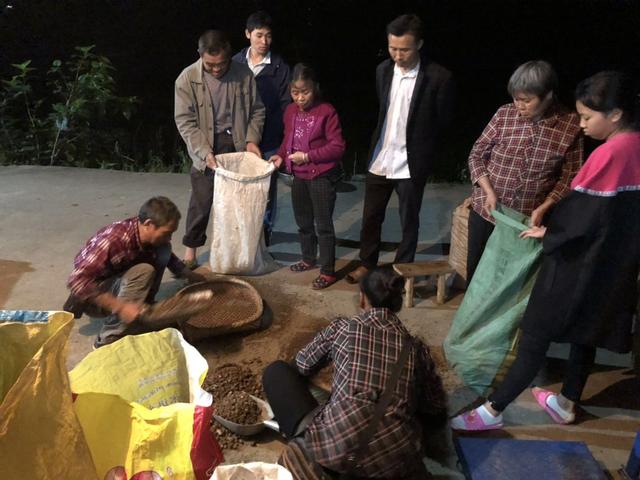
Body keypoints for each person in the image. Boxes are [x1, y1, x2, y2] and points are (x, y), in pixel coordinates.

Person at [451, 71, 640, 431]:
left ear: (615, 114)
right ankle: (568, 401)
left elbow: (580, 216)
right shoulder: (636, 147)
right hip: (614, 267)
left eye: (588, 117)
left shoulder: (609, 154)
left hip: (577, 264)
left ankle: (493, 410)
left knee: (535, 331)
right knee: (586, 332)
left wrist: (548, 232)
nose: (582, 125)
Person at [263, 267, 447, 478]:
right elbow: (436, 410)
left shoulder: (343, 327)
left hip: (333, 455)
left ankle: (317, 463)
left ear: (362, 299)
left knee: (276, 372)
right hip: (395, 466)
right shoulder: (416, 348)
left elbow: (302, 365)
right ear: (397, 305)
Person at [346, 14, 455, 284]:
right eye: (393, 48)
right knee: (371, 215)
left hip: (411, 160)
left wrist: (425, 150)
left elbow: (443, 120)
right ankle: (366, 262)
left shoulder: (438, 77)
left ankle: (401, 270)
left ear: (419, 44)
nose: (397, 55)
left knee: (409, 219)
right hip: (382, 154)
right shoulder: (383, 70)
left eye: (403, 49)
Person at [465, 60, 583, 284]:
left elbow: (570, 175)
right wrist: (489, 190)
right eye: (515, 99)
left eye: (526, 100)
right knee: (476, 276)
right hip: (486, 211)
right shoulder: (504, 115)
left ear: (547, 96)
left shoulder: (570, 125)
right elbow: (477, 154)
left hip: (525, 220)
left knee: (508, 281)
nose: (519, 105)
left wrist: (545, 206)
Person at [175, 30, 265, 268]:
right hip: (205, 145)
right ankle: (190, 254)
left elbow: (257, 110)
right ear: (200, 55)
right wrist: (204, 152)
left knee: (238, 204)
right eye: (210, 64)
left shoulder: (243, 74)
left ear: (228, 54)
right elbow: (185, 121)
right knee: (201, 202)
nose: (216, 69)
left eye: (221, 64)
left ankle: (237, 254)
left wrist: (251, 140)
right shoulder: (187, 79)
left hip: (236, 144)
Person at [63, 197, 206, 348]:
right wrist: (121, 307)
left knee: (164, 249)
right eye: (166, 233)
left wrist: (191, 275)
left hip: (116, 280)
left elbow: (169, 257)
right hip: (93, 295)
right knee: (144, 271)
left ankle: (142, 304)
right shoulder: (113, 240)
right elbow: (77, 280)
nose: (170, 237)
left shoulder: (144, 233)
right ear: (149, 224)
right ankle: (108, 337)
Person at [269, 63, 345, 289]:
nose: (300, 98)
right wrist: (281, 156)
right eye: (295, 92)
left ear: (315, 88)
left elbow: (338, 147)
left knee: (323, 225)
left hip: (321, 176)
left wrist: (309, 156)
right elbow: (287, 139)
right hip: (298, 176)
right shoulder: (290, 111)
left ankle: (328, 270)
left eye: (305, 92)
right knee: (303, 222)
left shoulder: (327, 111)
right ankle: (308, 258)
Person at [233, 11, 291, 245]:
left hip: (269, 140)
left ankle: (263, 237)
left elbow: (287, 106)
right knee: (238, 190)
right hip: (237, 140)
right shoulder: (235, 63)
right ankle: (240, 233)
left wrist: (285, 142)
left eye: (268, 36)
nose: (264, 42)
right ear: (248, 34)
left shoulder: (280, 67)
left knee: (266, 192)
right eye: (259, 36)